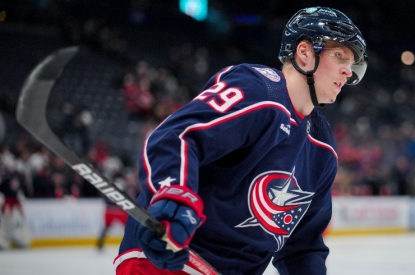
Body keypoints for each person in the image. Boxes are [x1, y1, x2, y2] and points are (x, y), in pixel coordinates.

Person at [115, 6, 367, 274]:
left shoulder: (323, 144)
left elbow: (303, 245)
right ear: (304, 53)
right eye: (339, 56)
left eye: (351, 65)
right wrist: (173, 199)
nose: (347, 72)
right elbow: (177, 136)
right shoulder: (260, 89)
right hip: (175, 258)